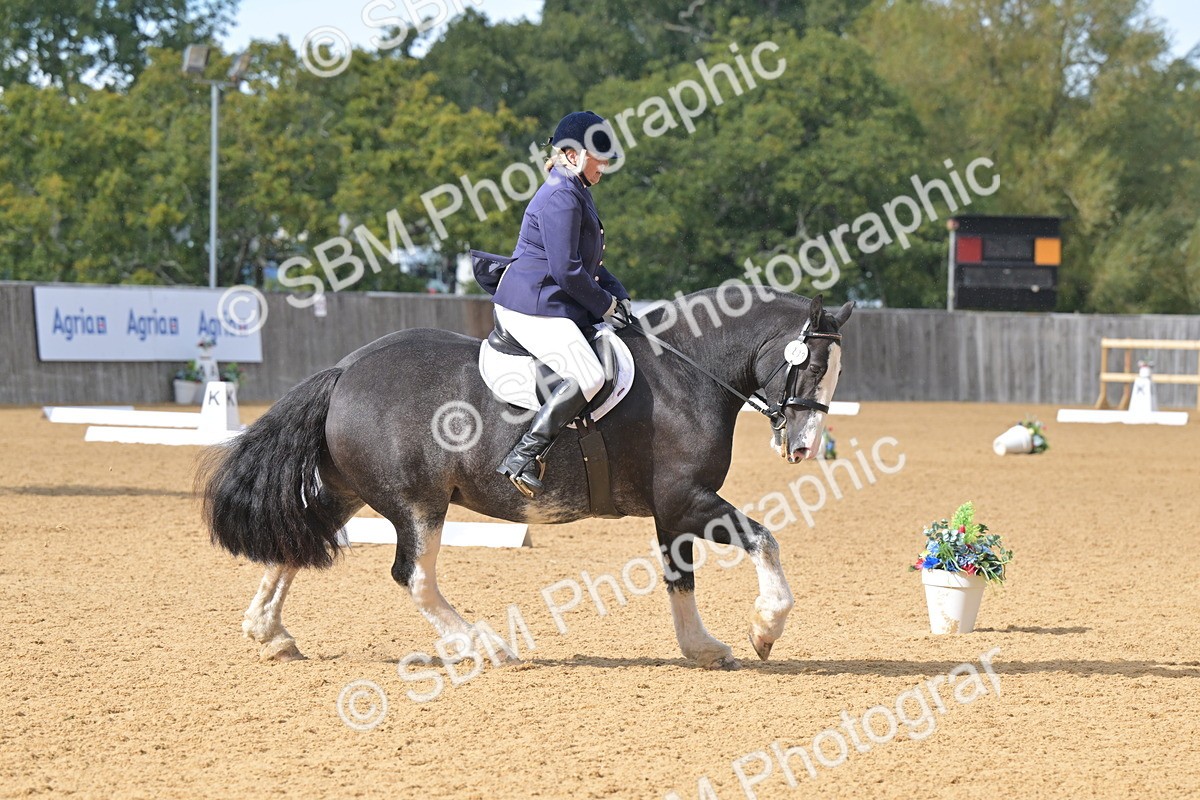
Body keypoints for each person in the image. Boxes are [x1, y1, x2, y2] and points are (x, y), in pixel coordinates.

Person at [489, 110, 635, 498]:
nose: (604, 164)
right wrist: (604, 306)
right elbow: (568, 271)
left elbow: (589, 263)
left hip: (550, 297)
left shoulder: (575, 191)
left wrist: (618, 293)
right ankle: (523, 456)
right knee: (590, 375)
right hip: (531, 303)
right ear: (571, 155)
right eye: (597, 156)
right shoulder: (561, 196)